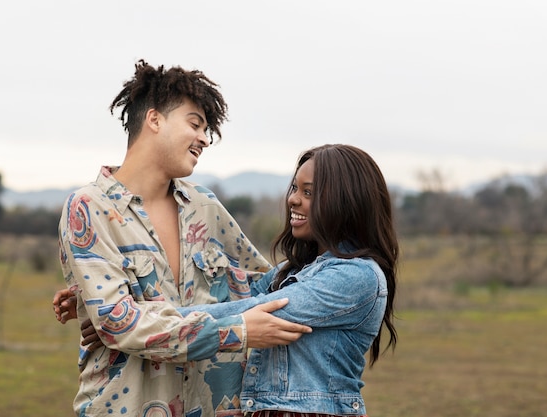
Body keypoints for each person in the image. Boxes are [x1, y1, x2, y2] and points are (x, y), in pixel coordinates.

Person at [59, 143, 399, 416]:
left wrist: (134, 319)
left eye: (309, 192)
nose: (293, 199)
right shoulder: (295, 271)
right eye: (295, 188)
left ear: (345, 201)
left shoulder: (356, 277)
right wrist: (104, 303)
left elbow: (256, 310)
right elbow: (225, 288)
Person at [55, 59, 311, 417]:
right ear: (155, 119)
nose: (205, 139)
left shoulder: (205, 206)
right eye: (195, 124)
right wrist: (235, 331)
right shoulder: (88, 209)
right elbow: (119, 324)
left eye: (206, 129)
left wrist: (345, 260)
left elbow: (267, 288)